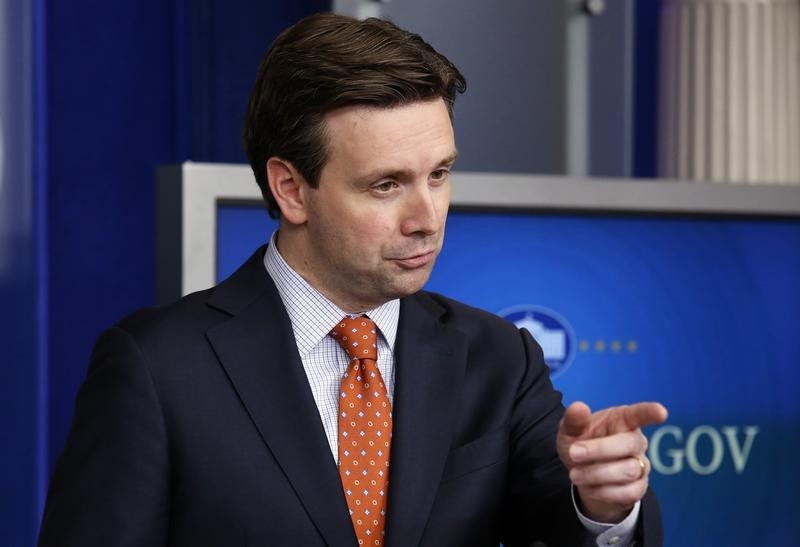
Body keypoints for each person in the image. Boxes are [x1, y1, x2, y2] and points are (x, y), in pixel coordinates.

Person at [38, 12, 667, 547]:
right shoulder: (156, 369)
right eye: (386, 185)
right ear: (291, 189)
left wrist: (605, 506)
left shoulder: (498, 359)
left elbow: (564, 525)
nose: (427, 218)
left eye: (440, 174)